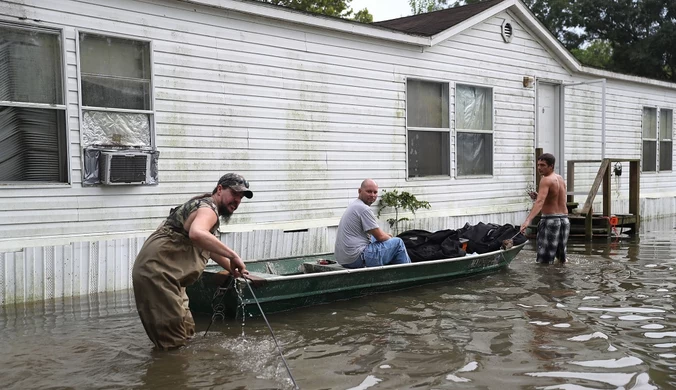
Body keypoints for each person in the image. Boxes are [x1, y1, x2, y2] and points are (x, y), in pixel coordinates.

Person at [132, 173, 253, 350]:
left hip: (171, 277)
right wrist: (233, 255)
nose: (237, 200)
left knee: (186, 333)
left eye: (241, 197)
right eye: (234, 194)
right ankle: (170, 374)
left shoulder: (207, 210)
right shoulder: (207, 208)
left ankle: (176, 371)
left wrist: (235, 270)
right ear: (220, 189)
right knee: (173, 343)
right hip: (158, 274)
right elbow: (197, 233)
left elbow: (207, 247)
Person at [335, 179, 411, 268]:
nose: (372, 195)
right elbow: (381, 237)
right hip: (357, 258)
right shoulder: (364, 209)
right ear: (359, 191)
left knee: (378, 239)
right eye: (369, 192)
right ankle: (407, 273)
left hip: (344, 259)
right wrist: (390, 238)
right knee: (398, 243)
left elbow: (375, 234)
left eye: (375, 192)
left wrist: (387, 236)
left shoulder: (354, 205)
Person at [520, 153, 570, 264]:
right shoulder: (560, 179)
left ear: (551, 166)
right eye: (538, 165)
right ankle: (561, 279)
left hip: (550, 221)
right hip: (564, 221)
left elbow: (540, 202)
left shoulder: (545, 180)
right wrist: (538, 196)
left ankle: (547, 281)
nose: (539, 168)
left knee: (544, 261)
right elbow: (555, 198)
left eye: (543, 165)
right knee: (562, 259)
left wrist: (527, 220)